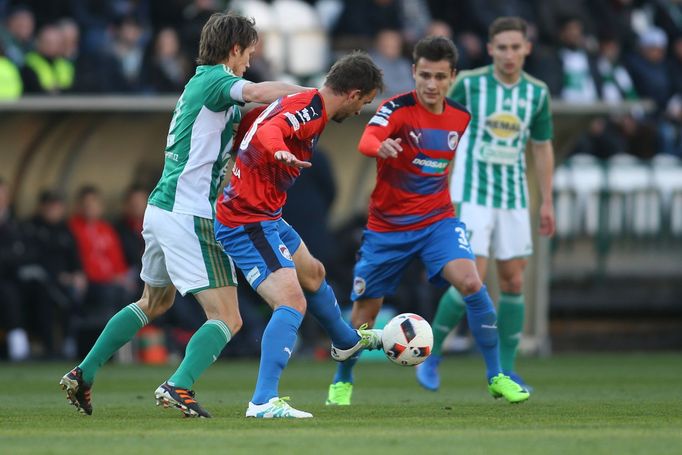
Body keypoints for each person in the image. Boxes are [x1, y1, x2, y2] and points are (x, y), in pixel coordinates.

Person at [60, 11, 306, 418]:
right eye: (248, 53)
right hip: (190, 213)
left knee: (153, 300)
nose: (249, 62)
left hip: (161, 209)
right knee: (228, 316)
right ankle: (179, 385)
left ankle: (83, 373)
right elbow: (262, 92)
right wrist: (314, 97)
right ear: (233, 50)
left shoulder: (201, 86)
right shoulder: (216, 81)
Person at [326, 35, 529, 407]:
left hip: (437, 221)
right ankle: (343, 380)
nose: (431, 85)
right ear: (414, 73)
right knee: (363, 315)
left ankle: (496, 376)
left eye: (439, 76)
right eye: (424, 76)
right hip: (387, 228)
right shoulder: (396, 109)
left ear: (452, 76)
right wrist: (381, 146)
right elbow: (367, 139)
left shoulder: (460, 117)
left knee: (471, 280)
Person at [214, 51, 385, 419]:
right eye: (364, 103)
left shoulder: (307, 102)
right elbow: (272, 132)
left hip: (267, 215)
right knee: (292, 303)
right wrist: (279, 152)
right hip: (247, 220)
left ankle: (345, 342)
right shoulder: (309, 108)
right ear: (354, 94)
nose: (359, 112)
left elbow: (256, 123)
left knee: (314, 273)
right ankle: (262, 401)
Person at [417, 17, 556, 393]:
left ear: (526, 48)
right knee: (471, 279)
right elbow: (439, 120)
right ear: (491, 49)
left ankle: (504, 373)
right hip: (472, 193)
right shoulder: (470, 84)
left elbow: (542, 148)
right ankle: (433, 356)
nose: (509, 54)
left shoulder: (536, 93)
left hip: (513, 196)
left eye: (516, 47)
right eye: (502, 47)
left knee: (513, 280)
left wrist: (547, 201)